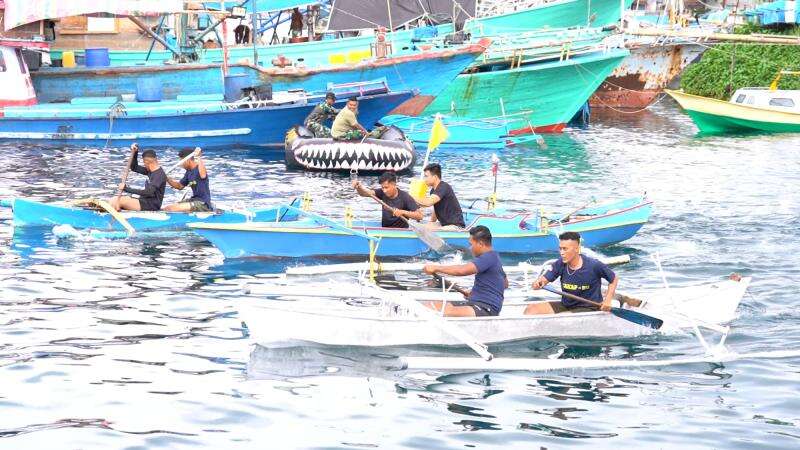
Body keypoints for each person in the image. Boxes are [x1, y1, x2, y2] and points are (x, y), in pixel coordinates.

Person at [524, 231, 619, 315]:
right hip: (566, 305)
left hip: (589, 308)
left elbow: (614, 278)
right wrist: (538, 283)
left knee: (564, 316)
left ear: (577, 249)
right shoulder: (560, 263)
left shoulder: (594, 265)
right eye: (560, 248)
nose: (561, 253)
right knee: (531, 309)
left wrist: (608, 300)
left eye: (565, 249)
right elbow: (543, 280)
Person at [422, 226, 508, 317]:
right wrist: (474, 293)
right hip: (476, 303)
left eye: (471, 244)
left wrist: (436, 268)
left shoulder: (488, 257)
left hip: (486, 308)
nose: (470, 248)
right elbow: (505, 284)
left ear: (480, 244)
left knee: (439, 311)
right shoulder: (495, 258)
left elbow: (462, 271)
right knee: (432, 305)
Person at [352, 172, 422, 228]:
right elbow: (365, 194)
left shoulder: (405, 197)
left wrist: (402, 212)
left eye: (386, 187)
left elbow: (419, 216)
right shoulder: (382, 192)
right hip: (385, 229)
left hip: (400, 232)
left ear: (394, 185)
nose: (384, 191)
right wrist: (359, 187)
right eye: (382, 188)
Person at [110, 144, 166, 212]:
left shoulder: (159, 175)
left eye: (144, 163)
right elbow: (134, 167)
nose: (144, 165)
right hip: (144, 201)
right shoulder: (150, 171)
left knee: (118, 201)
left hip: (151, 205)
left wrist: (126, 189)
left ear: (146, 162)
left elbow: (149, 193)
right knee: (114, 199)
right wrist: (135, 152)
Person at [415, 163, 465, 230]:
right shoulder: (433, 191)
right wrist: (431, 222)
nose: (425, 179)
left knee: (429, 230)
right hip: (444, 224)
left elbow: (428, 203)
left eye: (426, 176)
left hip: (456, 226)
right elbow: (436, 209)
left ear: (435, 177)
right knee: (420, 228)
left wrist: (411, 197)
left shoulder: (443, 187)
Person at [164, 147, 212, 212]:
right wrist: (166, 178)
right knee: (167, 208)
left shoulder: (199, 168)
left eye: (181, 161)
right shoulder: (188, 172)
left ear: (187, 160)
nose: (181, 164)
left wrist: (199, 157)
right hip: (194, 200)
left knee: (171, 209)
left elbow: (203, 175)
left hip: (203, 203)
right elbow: (179, 186)